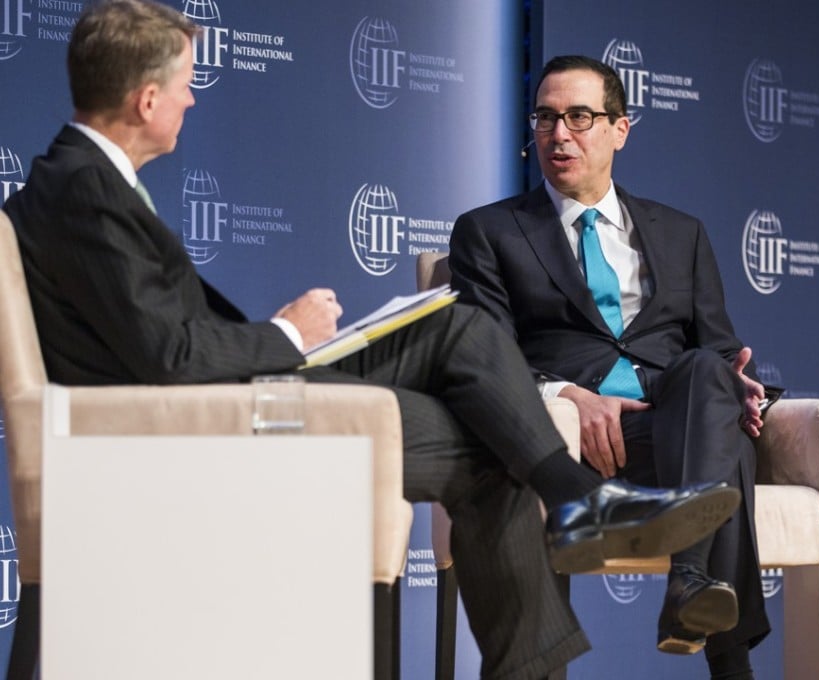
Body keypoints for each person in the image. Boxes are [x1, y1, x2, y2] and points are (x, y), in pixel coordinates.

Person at [1, 5, 742, 680]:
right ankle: (579, 512)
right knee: (495, 441)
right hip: (207, 424)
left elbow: (161, 340)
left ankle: (581, 505)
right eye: (187, 85)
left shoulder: (84, 183)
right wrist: (288, 333)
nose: (194, 99)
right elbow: (169, 360)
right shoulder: (83, 194)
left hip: (232, 394)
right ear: (147, 100)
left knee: (458, 330)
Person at [449, 55, 772, 680]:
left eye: (578, 117)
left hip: (674, 431)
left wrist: (742, 384)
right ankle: (724, 652)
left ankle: (688, 580)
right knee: (727, 448)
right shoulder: (490, 232)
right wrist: (568, 395)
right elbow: (482, 356)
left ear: (620, 129)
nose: (559, 134)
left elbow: (721, 347)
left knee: (710, 377)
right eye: (545, 118)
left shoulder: (682, 234)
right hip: (568, 443)